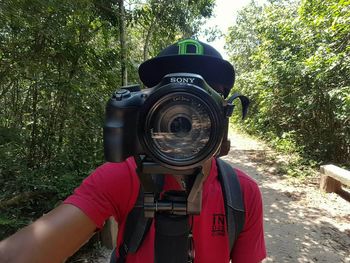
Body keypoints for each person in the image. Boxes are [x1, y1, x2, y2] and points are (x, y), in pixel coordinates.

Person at [0, 39, 266, 263]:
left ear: (224, 112)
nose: (187, 109)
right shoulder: (123, 176)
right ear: (144, 109)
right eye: (171, 97)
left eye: (202, 95)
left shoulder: (242, 193)